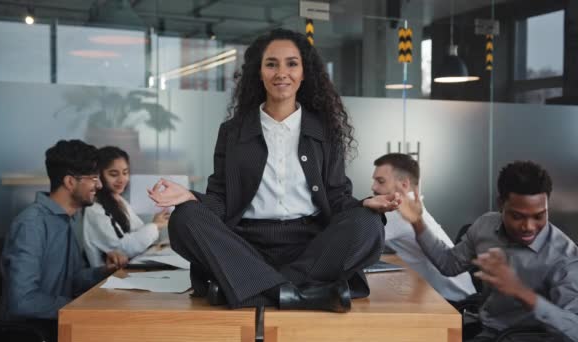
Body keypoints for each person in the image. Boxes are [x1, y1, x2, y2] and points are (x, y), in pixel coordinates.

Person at [148, 28, 400, 312]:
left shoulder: (326, 131)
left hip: (310, 246)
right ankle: (303, 294)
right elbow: (220, 201)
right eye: (272, 64)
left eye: (291, 63)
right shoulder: (233, 132)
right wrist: (190, 196)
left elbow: (337, 198)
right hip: (245, 246)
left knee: (368, 224)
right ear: (259, 72)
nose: (282, 72)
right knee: (184, 218)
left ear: (304, 73)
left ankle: (251, 289)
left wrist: (366, 204)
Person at [397, 160, 578, 341]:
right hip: (484, 330)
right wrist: (417, 222)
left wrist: (520, 292)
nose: (529, 227)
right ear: (501, 204)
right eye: (517, 216)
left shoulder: (564, 256)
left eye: (539, 216)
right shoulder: (486, 226)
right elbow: (449, 265)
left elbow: (574, 330)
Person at [0, 140, 128, 341]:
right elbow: (22, 301)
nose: (100, 185)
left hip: (62, 324)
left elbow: (72, 279)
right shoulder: (32, 225)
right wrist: (80, 306)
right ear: (70, 182)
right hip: (34, 332)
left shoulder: (67, 218)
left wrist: (104, 270)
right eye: (94, 178)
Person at [371, 153, 476, 302]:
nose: (373, 187)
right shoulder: (407, 206)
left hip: (453, 301)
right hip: (448, 294)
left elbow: (353, 240)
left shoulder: (397, 211)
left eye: (380, 181)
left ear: (404, 185)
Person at [82, 146, 170, 267]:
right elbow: (123, 249)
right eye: (113, 174)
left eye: (125, 172)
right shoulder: (94, 209)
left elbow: (138, 236)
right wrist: (155, 226)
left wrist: (157, 225)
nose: (122, 179)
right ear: (99, 175)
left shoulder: (119, 200)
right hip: (107, 279)